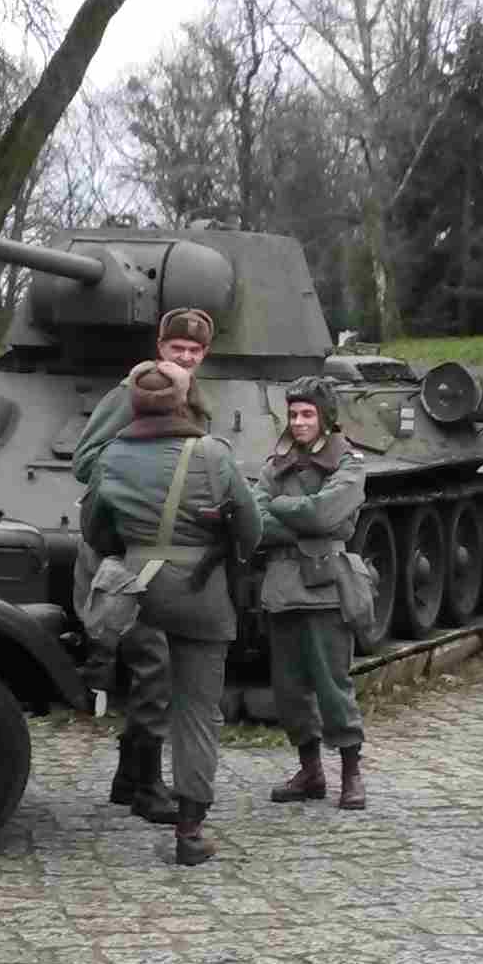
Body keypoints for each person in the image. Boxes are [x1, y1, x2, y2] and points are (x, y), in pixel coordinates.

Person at [85, 359, 261, 864]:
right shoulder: (212, 454)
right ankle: (189, 830)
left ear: (134, 405)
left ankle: (134, 780)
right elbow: (251, 530)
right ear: (182, 403)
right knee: (198, 712)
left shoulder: (111, 456)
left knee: (147, 688)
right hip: (201, 594)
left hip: (137, 592)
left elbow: (97, 532)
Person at [71, 307, 216, 823]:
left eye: (195, 352)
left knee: (160, 666)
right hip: (124, 553)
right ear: (161, 348)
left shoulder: (196, 400)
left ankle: (128, 777)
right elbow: (85, 462)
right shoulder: (130, 394)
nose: (186, 357)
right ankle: (148, 786)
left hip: (171, 553)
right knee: (152, 665)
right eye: (178, 349)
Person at [254, 377, 369, 810]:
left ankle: (351, 774)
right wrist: (300, 519)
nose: (299, 422)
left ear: (325, 417)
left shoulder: (349, 462)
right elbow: (255, 519)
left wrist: (282, 510)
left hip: (325, 588)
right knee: (289, 690)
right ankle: (310, 771)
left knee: (333, 685)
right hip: (283, 589)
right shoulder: (276, 463)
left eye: (307, 414)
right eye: (294, 414)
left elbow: (328, 514)